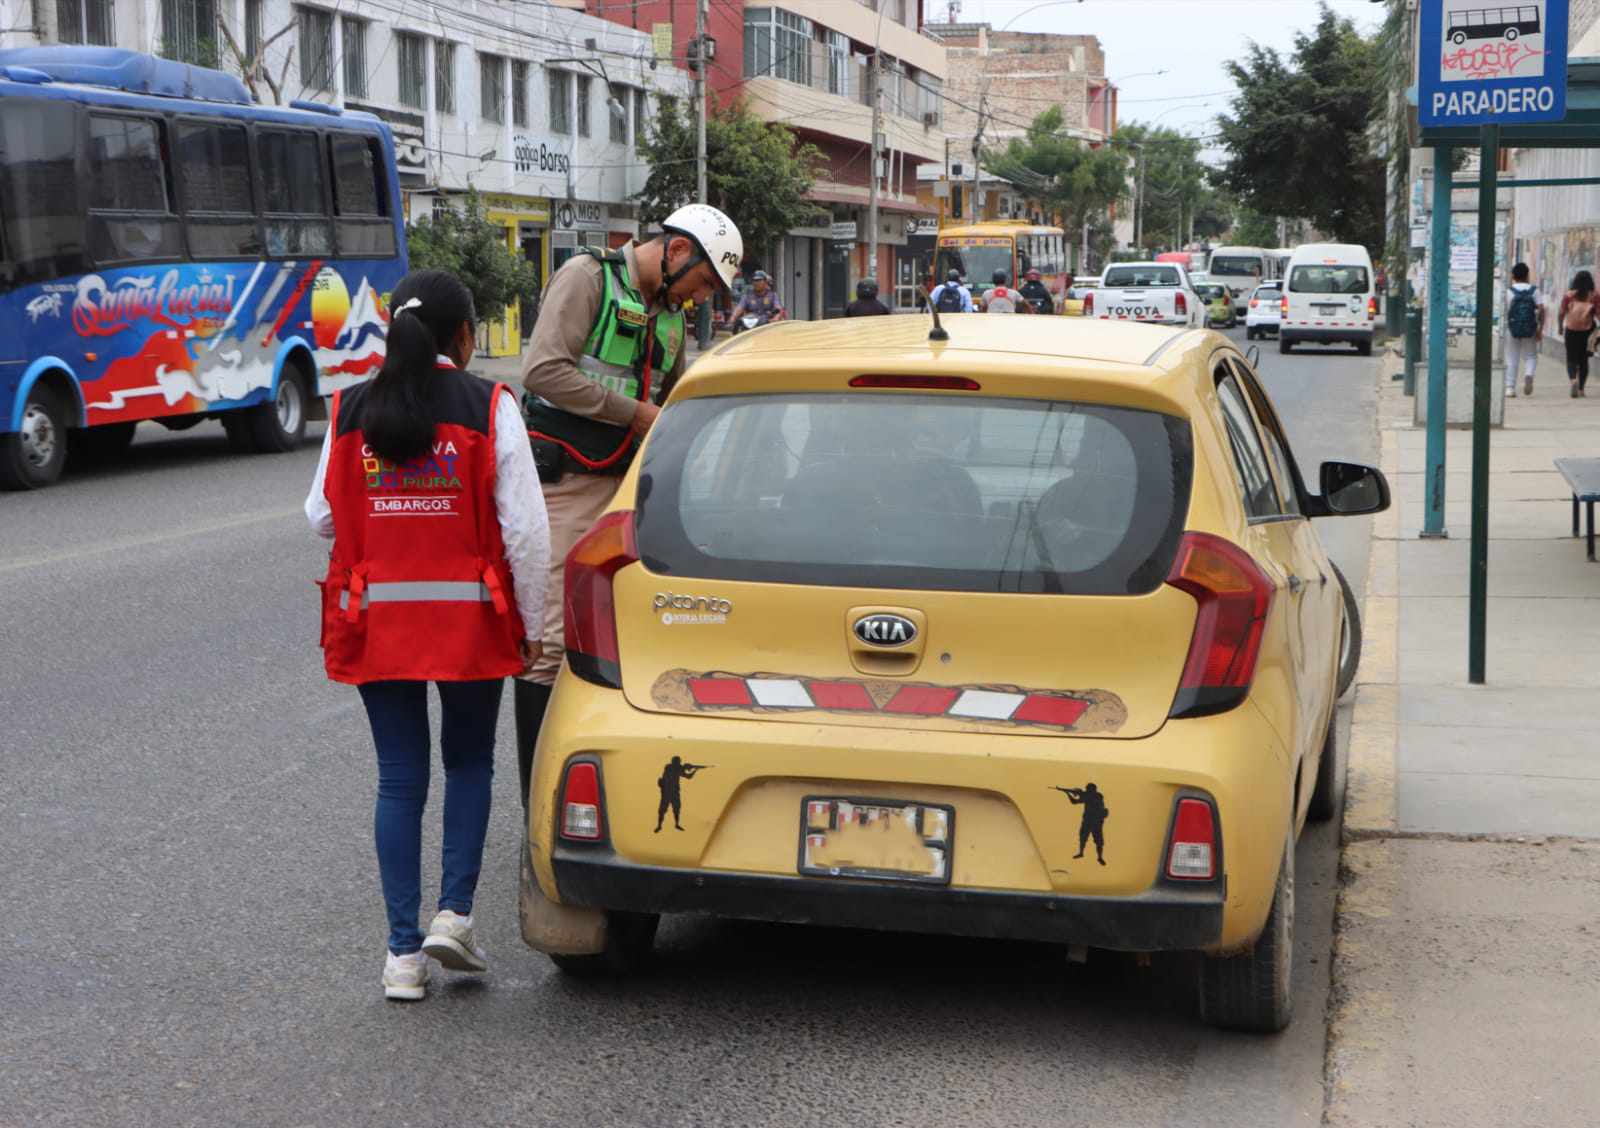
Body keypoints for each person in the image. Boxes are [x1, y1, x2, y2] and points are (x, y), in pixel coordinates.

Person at [305, 268, 551, 1002]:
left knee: (401, 778)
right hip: (468, 622)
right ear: (465, 337)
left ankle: (402, 957)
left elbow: (319, 514)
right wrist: (531, 625)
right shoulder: (489, 405)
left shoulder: (352, 407)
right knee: (470, 762)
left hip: (377, 620)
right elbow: (527, 532)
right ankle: (455, 915)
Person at [516, 204, 742, 807]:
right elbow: (541, 369)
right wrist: (632, 414)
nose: (699, 299)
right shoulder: (588, 278)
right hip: (569, 482)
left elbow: (675, 405)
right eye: (701, 283)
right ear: (675, 252)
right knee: (553, 643)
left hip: (631, 490)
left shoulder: (669, 315)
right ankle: (538, 802)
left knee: (634, 636)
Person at [1503, 262, 1545, 398]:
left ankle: (1510, 388)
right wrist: (1540, 329)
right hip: (1530, 327)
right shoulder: (1534, 291)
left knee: (1512, 358)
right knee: (1531, 355)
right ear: (1527, 275)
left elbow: (1504, 311)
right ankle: (1528, 374)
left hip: (1512, 327)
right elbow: (1541, 310)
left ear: (1513, 275)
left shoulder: (1508, 292)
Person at [1558, 270, 1597, 398]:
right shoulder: (1594, 296)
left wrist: (1560, 326)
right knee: (1583, 360)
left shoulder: (1568, 296)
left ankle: (1573, 380)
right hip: (1587, 332)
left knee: (1571, 359)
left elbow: (1561, 312)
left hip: (1572, 331)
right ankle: (1581, 389)